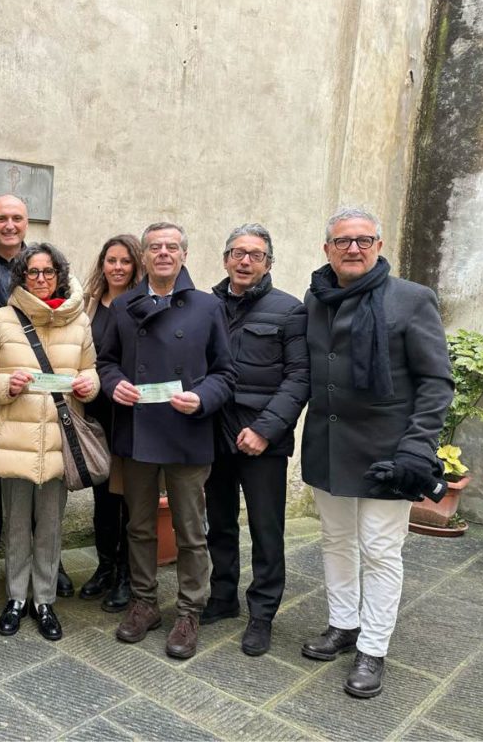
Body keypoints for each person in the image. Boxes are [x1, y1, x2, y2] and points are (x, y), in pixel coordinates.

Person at [300, 207, 453, 698]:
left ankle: (373, 647)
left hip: (390, 452)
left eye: (363, 240)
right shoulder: (316, 297)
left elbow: (436, 382)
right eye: (343, 241)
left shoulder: (411, 299)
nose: (353, 248)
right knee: (335, 540)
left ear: (379, 246)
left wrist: (417, 448)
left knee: (381, 551)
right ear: (327, 249)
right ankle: (343, 624)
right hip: (328, 445)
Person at [97, 221, 235, 660]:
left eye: (171, 247)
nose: (162, 253)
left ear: (184, 255)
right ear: (144, 256)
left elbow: (225, 373)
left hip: (187, 431)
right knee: (138, 526)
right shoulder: (124, 306)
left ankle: (190, 610)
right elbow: (106, 362)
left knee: (190, 530)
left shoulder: (207, 306)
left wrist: (202, 398)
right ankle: (144, 603)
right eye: (154, 246)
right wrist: (114, 384)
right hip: (138, 431)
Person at [0, 243, 98, 641]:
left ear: (59, 275)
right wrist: (6, 384)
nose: (41, 279)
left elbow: (91, 371)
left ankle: (44, 600)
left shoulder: (79, 323)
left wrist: (89, 385)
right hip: (14, 441)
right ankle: (16, 598)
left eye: (48, 272)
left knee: (51, 527)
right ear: (21, 277)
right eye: (33, 272)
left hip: (59, 441)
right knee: (16, 525)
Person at [0, 195, 75, 598]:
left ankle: (50, 566)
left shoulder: (49, 267)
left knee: (45, 486)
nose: (9, 225)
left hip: (44, 404)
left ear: (27, 223)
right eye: (1, 218)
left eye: (17, 218)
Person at [202, 224, 310, 656]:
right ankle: (222, 596)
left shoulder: (290, 310)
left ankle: (262, 614)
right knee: (219, 523)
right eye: (238, 253)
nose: (245, 261)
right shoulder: (207, 306)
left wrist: (265, 430)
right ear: (226, 258)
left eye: (256, 255)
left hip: (263, 439)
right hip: (213, 433)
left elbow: (299, 378)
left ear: (268, 263)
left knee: (267, 530)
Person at [79, 234, 143, 612]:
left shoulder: (140, 304)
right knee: (102, 498)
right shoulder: (88, 303)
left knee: (128, 499)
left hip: (128, 414)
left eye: (125, 261)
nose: (117, 267)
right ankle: (104, 566)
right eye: (111, 260)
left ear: (136, 266)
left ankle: (125, 574)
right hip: (96, 415)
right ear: (102, 264)